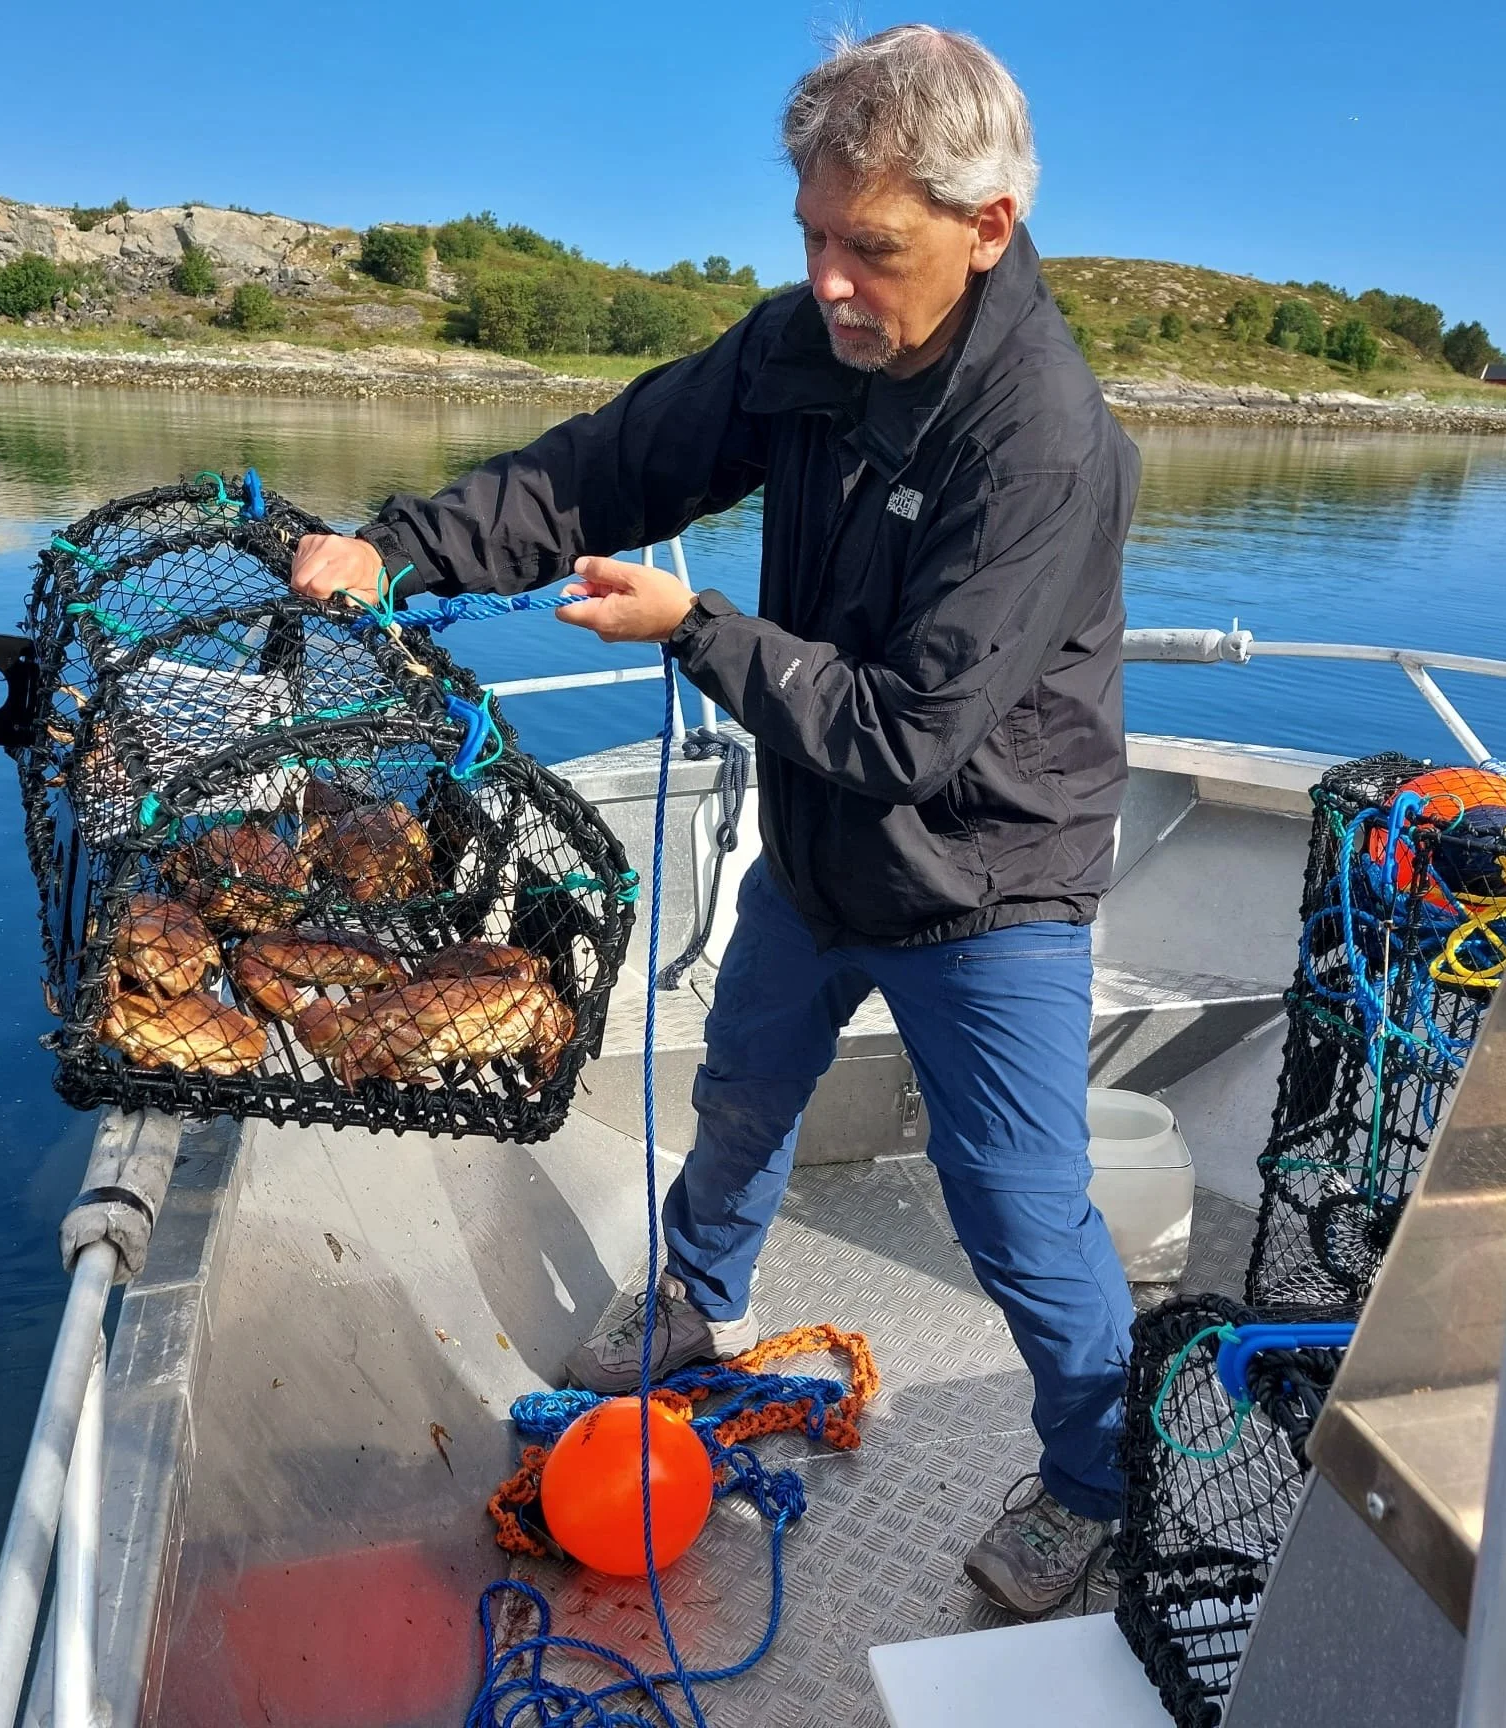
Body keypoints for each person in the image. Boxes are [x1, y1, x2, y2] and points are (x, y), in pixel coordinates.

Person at [292, 24, 1140, 1618]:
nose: (828, 277)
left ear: (986, 229)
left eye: (868, 247)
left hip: (991, 879)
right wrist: (396, 549)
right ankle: (696, 1301)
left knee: (1022, 1214)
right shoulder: (810, 344)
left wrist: (696, 628)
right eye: (812, 233)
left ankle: (1096, 1481)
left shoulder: (1046, 443)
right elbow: (609, 464)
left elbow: (907, 728)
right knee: (741, 1092)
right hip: (820, 853)